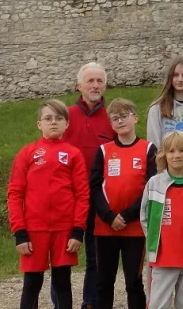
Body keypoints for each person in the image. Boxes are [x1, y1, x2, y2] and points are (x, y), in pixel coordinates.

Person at [8, 99, 89, 309]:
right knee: (32, 284)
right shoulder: (27, 153)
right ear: (39, 124)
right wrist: (20, 232)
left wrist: (77, 230)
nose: (53, 122)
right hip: (34, 229)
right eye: (48, 118)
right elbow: (15, 194)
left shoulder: (74, 154)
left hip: (64, 229)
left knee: (62, 282)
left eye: (59, 118)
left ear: (67, 124)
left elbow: (82, 194)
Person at [88, 98, 157, 309]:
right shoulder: (104, 150)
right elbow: (95, 186)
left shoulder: (149, 149)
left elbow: (150, 187)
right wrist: (109, 216)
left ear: (135, 118)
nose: (120, 121)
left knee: (133, 282)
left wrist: (127, 215)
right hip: (106, 227)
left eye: (124, 116)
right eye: (115, 118)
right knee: (104, 282)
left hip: (134, 227)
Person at [62, 62, 115, 309]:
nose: (95, 86)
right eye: (90, 81)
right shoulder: (66, 116)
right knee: (63, 253)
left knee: (96, 255)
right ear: (79, 85)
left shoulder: (112, 117)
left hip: (97, 194)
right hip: (68, 194)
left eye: (99, 81)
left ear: (105, 85)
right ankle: (61, 303)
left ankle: (90, 302)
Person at [140, 131, 183, 309]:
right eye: (171, 151)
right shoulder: (154, 183)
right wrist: (154, 240)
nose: (177, 155)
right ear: (164, 155)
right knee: (158, 304)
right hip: (163, 256)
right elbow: (145, 217)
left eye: (182, 151)